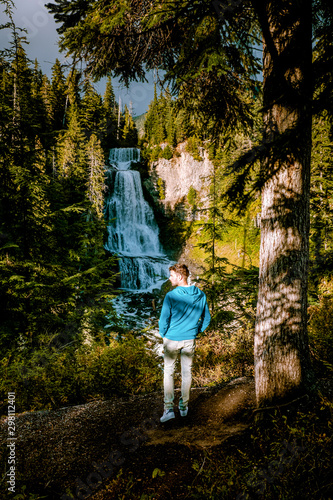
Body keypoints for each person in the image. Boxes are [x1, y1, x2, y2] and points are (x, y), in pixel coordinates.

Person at [159, 263, 211, 422]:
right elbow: (207, 319)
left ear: (180, 277)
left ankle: (168, 409)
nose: (169, 278)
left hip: (171, 339)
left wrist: (163, 335)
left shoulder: (171, 296)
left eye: (172, 275)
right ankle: (183, 408)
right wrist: (196, 331)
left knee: (168, 372)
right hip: (189, 339)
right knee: (186, 373)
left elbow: (163, 319)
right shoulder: (201, 295)